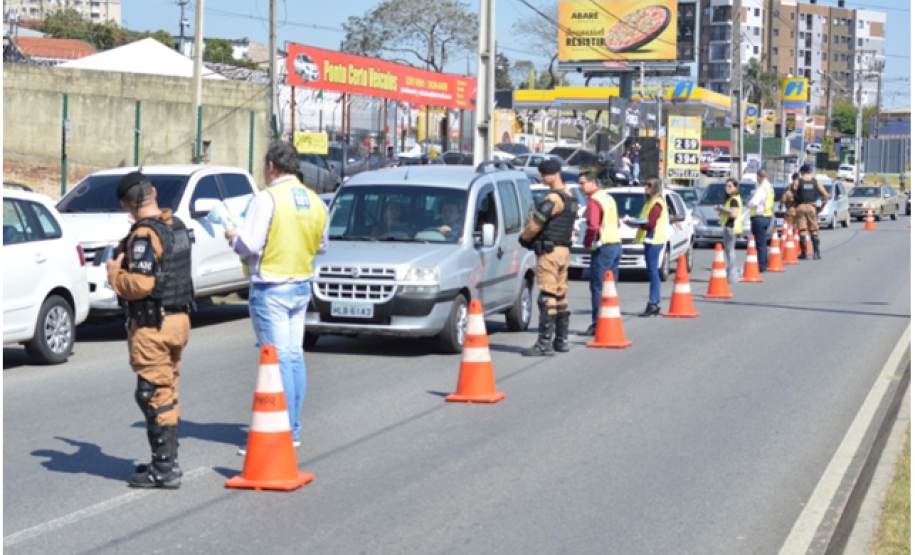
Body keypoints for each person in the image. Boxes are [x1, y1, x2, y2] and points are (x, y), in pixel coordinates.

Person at [225, 141, 328, 452]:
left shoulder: (267, 199)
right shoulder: (314, 201)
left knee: (276, 361)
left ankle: (278, 429)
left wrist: (233, 238)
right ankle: (292, 427)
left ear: (271, 166)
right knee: (294, 358)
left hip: (272, 287)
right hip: (301, 284)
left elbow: (250, 245)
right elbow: (322, 245)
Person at [106, 171, 193, 489]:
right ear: (153, 192)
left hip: (153, 324)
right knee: (166, 390)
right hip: (179, 320)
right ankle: (167, 462)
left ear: (124, 205)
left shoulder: (144, 235)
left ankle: (164, 468)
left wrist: (115, 273)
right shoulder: (176, 226)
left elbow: (142, 284)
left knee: (152, 393)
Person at [518, 159, 579, 356]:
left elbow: (536, 223)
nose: (542, 179)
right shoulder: (570, 196)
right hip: (564, 251)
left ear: (553, 174)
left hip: (549, 252)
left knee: (547, 297)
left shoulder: (553, 199)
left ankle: (544, 343)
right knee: (560, 295)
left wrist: (525, 238)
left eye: (544, 175)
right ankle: (561, 340)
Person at [577, 170, 622, 336]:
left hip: (603, 247)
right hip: (616, 244)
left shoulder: (594, 201)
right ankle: (610, 318)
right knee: (611, 286)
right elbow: (616, 222)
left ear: (592, 182)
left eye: (582, 183)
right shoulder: (608, 197)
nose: (580, 187)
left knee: (597, 286)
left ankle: (598, 323)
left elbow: (593, 227)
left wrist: (587, 242)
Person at [624, 178, 667, 317]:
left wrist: (634, 224)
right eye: (645, 185)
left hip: (654, 240)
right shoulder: (649, 202)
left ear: (655, 188)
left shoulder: (656, 203)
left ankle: (653, 303)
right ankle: (654, 302)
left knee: (653, 272)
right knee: (652, 272)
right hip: (650, 239)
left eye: (649, 185)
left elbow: (650, 223)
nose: (646, 187)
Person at [790, 164, 829, 260]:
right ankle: (816, 253)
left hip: (801, 207)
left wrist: (794, 205)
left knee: (802, 230)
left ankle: (804, 253)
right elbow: (825, 195)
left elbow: (791, 194)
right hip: (812, 207)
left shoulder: (797, 181)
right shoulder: (816, 182)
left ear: (802, 172)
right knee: (814, 230)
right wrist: (822, 206)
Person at [714, 178, 743, 283]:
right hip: (731, 227)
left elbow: (734, 214)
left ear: (735, 187)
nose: (727, 188)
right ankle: (732, 275)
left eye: (730, 186)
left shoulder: (734, 199)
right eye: (726, 186)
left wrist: (721, 210)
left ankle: (732, 276)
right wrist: (722, 211)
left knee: (730, 252)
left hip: (731, 227)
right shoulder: (732, 198)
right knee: (730, 251)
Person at [746, 168, 775, 271]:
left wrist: (748, 204)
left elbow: (754, 202)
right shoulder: (769, 187)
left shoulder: (762, 188)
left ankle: (762, 265)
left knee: (760, 243)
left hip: (760, 217)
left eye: (757, 177)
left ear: (759, 176)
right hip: (766, 216)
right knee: (762, 242)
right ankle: (763, 263)